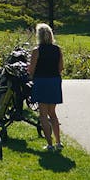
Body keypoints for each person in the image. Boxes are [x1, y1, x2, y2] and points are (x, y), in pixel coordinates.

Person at [28, 23, 64, 152]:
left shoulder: (36, 51)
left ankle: (49, 144)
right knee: (52, 113)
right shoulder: (57, 49)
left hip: (42, 81)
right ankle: (58, 142)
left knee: (43, 114)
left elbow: (31, 70)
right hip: (54, 81)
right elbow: (61, 68)